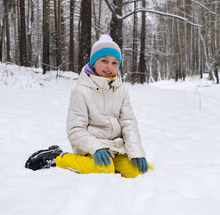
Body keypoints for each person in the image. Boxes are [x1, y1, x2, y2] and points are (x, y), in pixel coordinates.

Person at [25, 34, 152, 178]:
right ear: (93, 62)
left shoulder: (121, 90)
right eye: (104, 61)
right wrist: (96, 147)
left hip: (117, 149)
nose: (109, 67)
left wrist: (136, 152)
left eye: (115, 63)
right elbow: (75, 130)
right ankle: (57, 157)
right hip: (91, 148)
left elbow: (129, 123)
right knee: (104, 170)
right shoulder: (81, 91)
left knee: (141, 171)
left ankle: (114, 163)